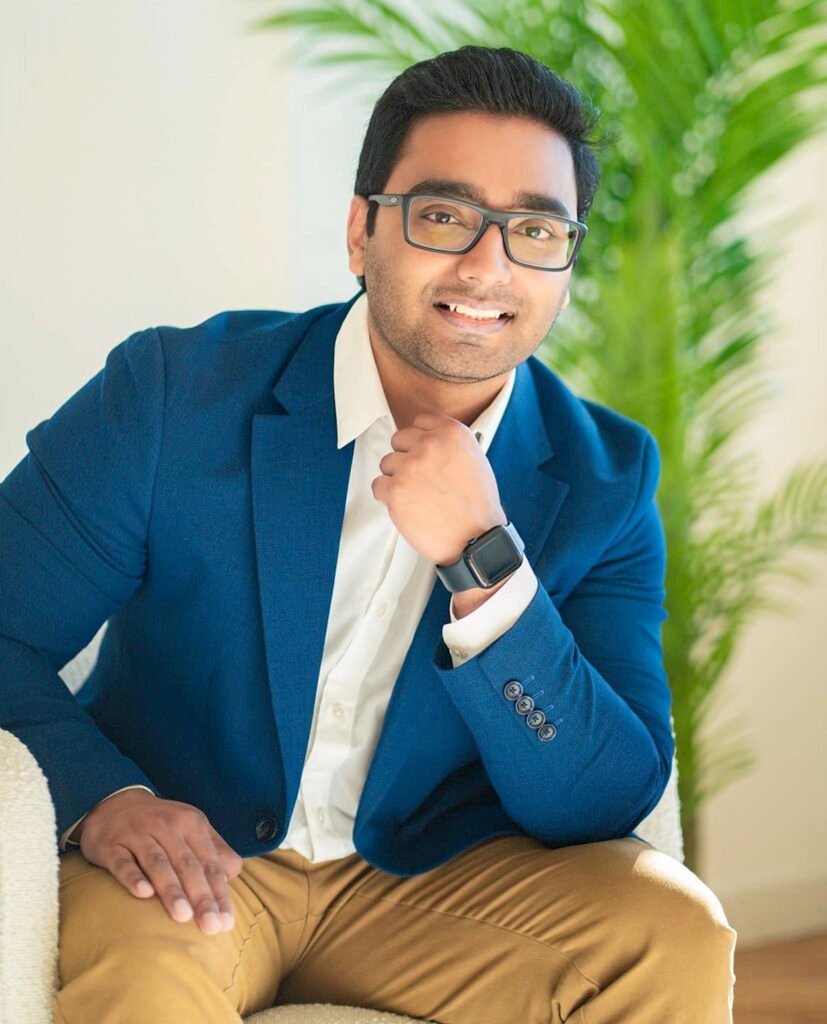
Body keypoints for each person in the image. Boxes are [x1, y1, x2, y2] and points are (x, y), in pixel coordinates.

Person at [0, 45, 737, 1023]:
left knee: (671, 930)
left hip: (430, 886)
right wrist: (107, 799)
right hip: (190, 866)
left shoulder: (602, 474)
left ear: (564, 262)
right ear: (360, 231)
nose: (487, 264)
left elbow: (600, 801)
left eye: (534, 229)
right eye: (443, 216)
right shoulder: (174, 396)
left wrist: (485, 563)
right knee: (146, 977)